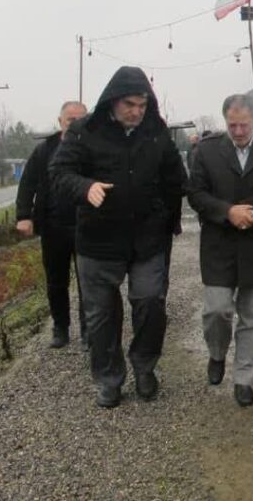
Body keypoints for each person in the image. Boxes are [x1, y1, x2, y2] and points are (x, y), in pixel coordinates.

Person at [50, 67, 185, 408]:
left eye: (142, 104)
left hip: (147, 239)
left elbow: (175, 179)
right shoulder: (84, 132)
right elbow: (59, 173)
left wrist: (172, 219)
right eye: (129, 104)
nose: (136, 111)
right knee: (101, 315)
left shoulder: (156, 133)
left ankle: (144, 366)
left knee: (151, 302)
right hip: (97, 241)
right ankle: (109, 379)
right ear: (112, 100)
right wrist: (86, 187)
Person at [187, 94, 253, 407]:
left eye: (243, 124)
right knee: (217, 309)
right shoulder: (207, 151)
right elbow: (195, 194)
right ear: (225, 121)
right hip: (219, 245)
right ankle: (217, 353)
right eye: (232, 124)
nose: (237, 131)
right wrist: (227, 211)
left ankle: (244, 379)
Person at [15, 100, 88, 349]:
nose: (76, 124)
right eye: (71, 120)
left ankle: (89, 329)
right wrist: (24, 215)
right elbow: (27, 184)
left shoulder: (95, 148)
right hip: (53, 226)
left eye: (81, 119)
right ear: (60, 121)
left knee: (88, 280)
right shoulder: (45, 150)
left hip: (87, 226)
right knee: (56, 281)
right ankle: (60, 327)